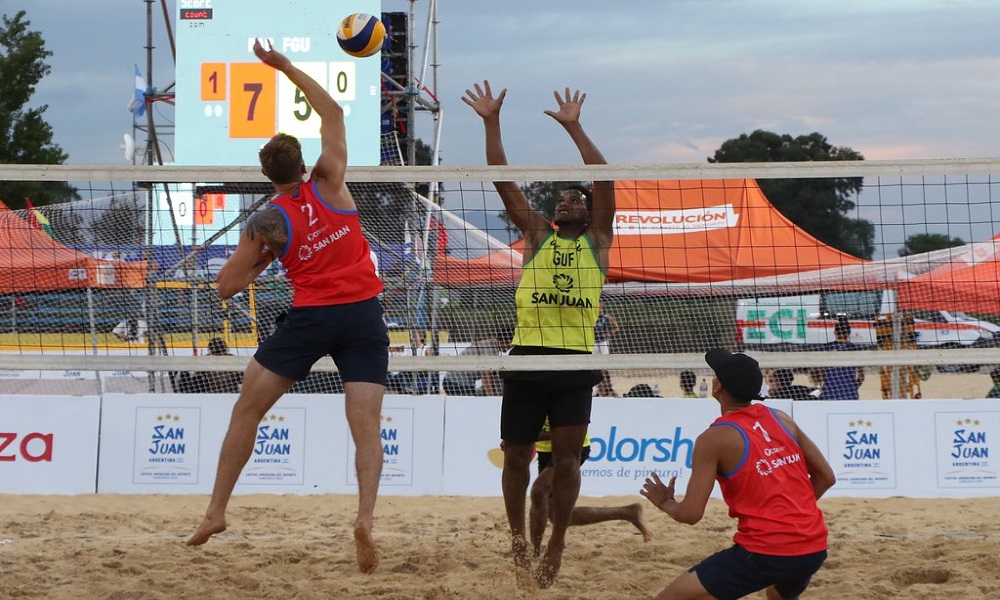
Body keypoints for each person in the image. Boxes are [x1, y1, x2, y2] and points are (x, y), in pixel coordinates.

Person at [186, 39, 389, 576]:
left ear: (266, 174)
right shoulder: (332, 180)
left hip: (311, 318)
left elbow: (226, 288)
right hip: (364, 312)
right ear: (304, 163)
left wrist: (267, 259)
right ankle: (365, 518)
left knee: (247, 411)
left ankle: (215, 512)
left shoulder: (265, 222)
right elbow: (334, 111)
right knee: (365, 424)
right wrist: (285, 67)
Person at [463, 80, 616, 588]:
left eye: (576, 197)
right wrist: (491, 122)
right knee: (515, 462)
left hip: (573, 360)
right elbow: (502, 181)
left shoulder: (597, 241)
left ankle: (556, 541)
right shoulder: (535, 237)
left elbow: (604, 179)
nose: (569, 199)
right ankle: (516, 541)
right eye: (563, 197)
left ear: (588, 212)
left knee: (568, 461)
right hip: (528, 355)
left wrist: (575, 127)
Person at [640, 348, 836, 600]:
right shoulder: (780, 418)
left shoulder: (713, 439)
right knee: (778, 593)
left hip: (766, 552)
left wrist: (664, 502)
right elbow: (826, 477)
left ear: (717, 386)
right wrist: (793, 514)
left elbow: (690, 514)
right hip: (814, 546)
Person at [529, 419, 651, 557]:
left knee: (539, 491)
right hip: (546, 450)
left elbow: (571, 430)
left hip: (571, 447)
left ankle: (534, 552)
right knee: (554, 514)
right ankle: (628, 512)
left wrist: (521, 436)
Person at [441, 334, 509, 396]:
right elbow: (486, 375)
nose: (509, 348)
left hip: (454, 381)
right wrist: (491, 397)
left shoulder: (488, 344)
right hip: (456, 382)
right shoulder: (490, 348)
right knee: (471, 404)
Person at [820, 317, 865, 400]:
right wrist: (852, 388)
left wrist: (823, 387)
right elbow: (861, 377)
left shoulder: (826, 348)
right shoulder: (855, 349)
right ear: (849, 333)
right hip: (850, 394)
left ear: (835, 333)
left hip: (830, 393)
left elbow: (820, 373)